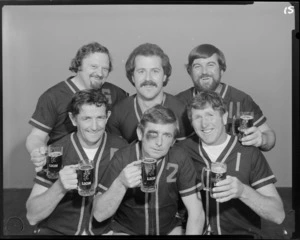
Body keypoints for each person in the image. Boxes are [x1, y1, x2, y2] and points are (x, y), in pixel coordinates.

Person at [177, 91, 285, 237]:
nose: (204, 123)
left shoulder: (248, 151)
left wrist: (243, 192)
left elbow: (278, 215)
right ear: (191, 122)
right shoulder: (182, 151)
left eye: (210, 115)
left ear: (223, 117)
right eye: (197, 117)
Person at [26, 89, 128, 235]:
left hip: (106, 230)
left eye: (100, 117)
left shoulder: (122, 148)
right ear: (73, 119)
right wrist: (60, 186)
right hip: (58, 231)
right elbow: (32, 216)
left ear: (108, 117)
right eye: (86, 118)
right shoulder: (56, 152)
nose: (94, 126)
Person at [93, 105, 204, 235]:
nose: (159, 142)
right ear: (140, 134)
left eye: (167, 135)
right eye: (153, 134)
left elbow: (197, 212)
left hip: (169, 229)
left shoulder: (180, 157)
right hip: (127, 230)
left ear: (173, 140)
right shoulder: (123, 157)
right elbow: (99, 214)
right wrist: (120, 183)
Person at [26, 42, 128, 172]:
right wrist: (38, 151)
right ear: (78, 65)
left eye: (105, 68)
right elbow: (36, 136)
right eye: (93, 66)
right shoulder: (53, 96)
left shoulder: (115, 93)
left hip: (105, 169)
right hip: (65, 166)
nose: (100, 73)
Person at [176, 44, 276, 152]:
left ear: (222, 70)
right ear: (189, 72)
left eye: (210, 65)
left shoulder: (241, 99)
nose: (204, 71)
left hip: (234, 166)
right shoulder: (178, 102)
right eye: (197, 66)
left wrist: (262, 139)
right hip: (193, 167)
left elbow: (269, 136)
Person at [106, 43, 193, 143]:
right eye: (141, 71)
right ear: (133, 77)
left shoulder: (182, 111)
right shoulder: (118, 112)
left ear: (164, 76)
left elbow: (185, 154)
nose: (148, 78)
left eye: (155, 71)